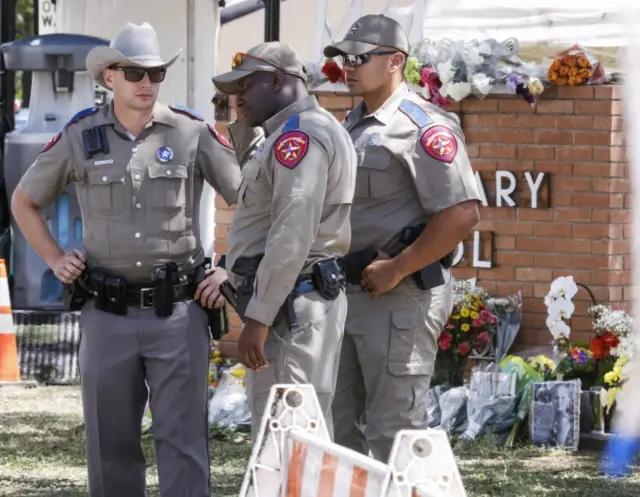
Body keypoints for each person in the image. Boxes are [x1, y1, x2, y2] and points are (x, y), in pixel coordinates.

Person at [10, 22, 241, 497]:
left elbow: (248, 200)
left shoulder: (190, 131)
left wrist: (229, 267)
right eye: (134, 72)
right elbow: (23, 202)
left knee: (183, 446)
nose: (147, 83)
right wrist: (54, 257)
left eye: (155, 73)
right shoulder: (80, 135)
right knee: (109, 449)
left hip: (178, 313)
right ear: (109, 77)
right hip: (107, 314)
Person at [323, 14, 482, 461]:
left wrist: (396, 268)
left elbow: (461, 214)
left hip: (399, 299)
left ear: (395, 61)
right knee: (337, 433)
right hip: (347, 294)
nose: (348, 66)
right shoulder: (349, 124)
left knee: (394, 434)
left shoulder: (423, 126)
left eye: (360, 57)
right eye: (342, 57)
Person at [210, 41, 358, 440]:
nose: (238, 97)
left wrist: (257, 318)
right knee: (281, 434)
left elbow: (292, 231)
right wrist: (237, 120)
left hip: (290, 308)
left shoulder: (301, 139)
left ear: (277, 80)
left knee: (292, 436)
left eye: (245, 86)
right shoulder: (292, 133)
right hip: (289, 302)